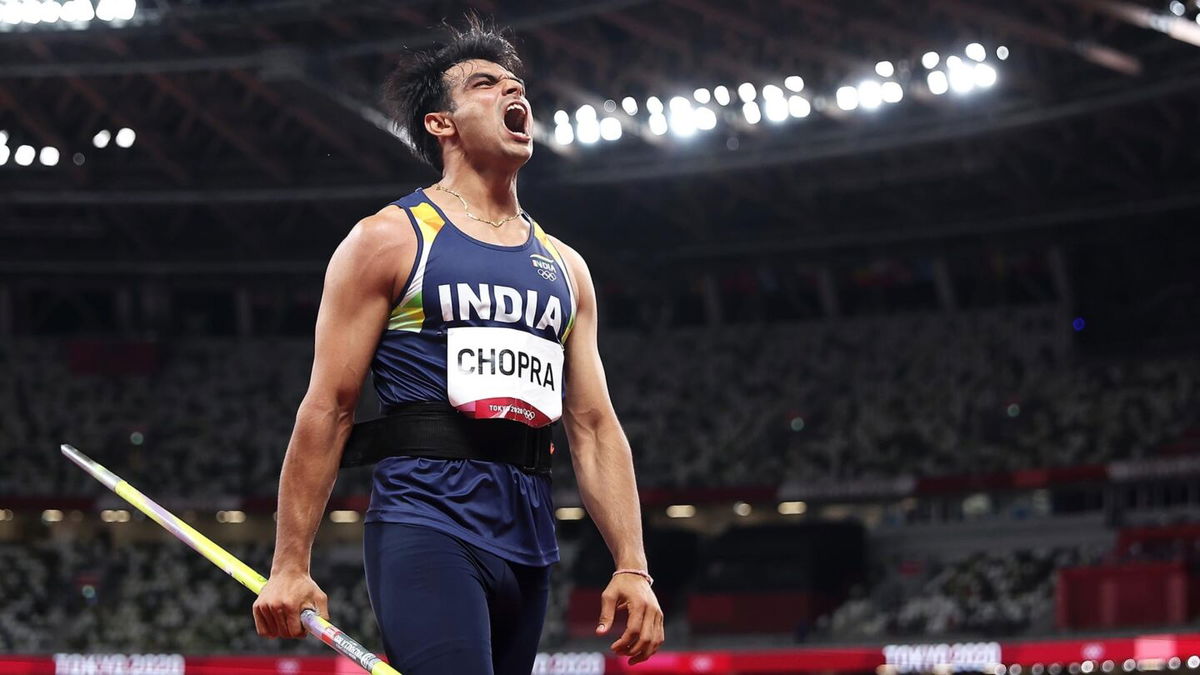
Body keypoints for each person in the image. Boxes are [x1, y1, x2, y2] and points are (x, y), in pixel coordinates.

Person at [251, 17, 664, 674]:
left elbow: (591, 425)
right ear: (441, 124)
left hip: (529, 539)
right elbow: (328, 405)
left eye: (515, 84)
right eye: (484, 83)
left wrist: (633, 566)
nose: (510, 91)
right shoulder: (389, 239)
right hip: (426, 522)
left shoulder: (565, 267)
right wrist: (289, 563)